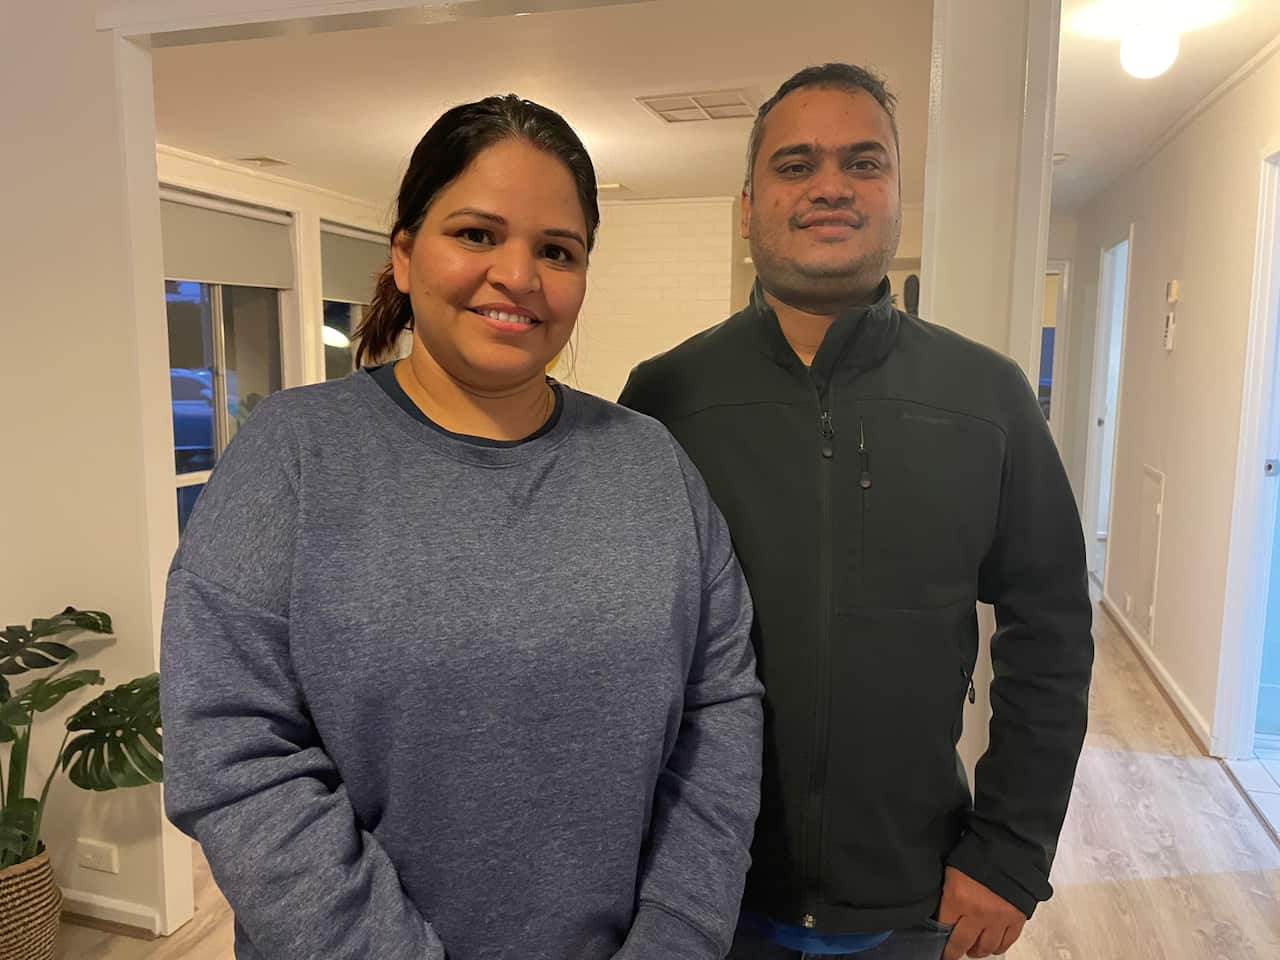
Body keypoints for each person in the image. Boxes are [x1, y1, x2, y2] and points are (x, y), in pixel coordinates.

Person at [161, 94, 764, 960]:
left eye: (556, 250)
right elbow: (233, 751)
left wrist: (676, 936)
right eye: (477, 234)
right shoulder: (293, 456)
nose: (518, 276)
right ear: (403, 256)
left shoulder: (650, 465)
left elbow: (721, 707)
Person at [620, 64, 1094, 960]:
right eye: (795, 164)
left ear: (897, 196)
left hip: (911, 895)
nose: (830, 185)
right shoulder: (665, 397)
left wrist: (1012, 850)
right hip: (700, 890)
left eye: (863, 162)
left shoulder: (985, 396)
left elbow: (1054, 630)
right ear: (749, 201)